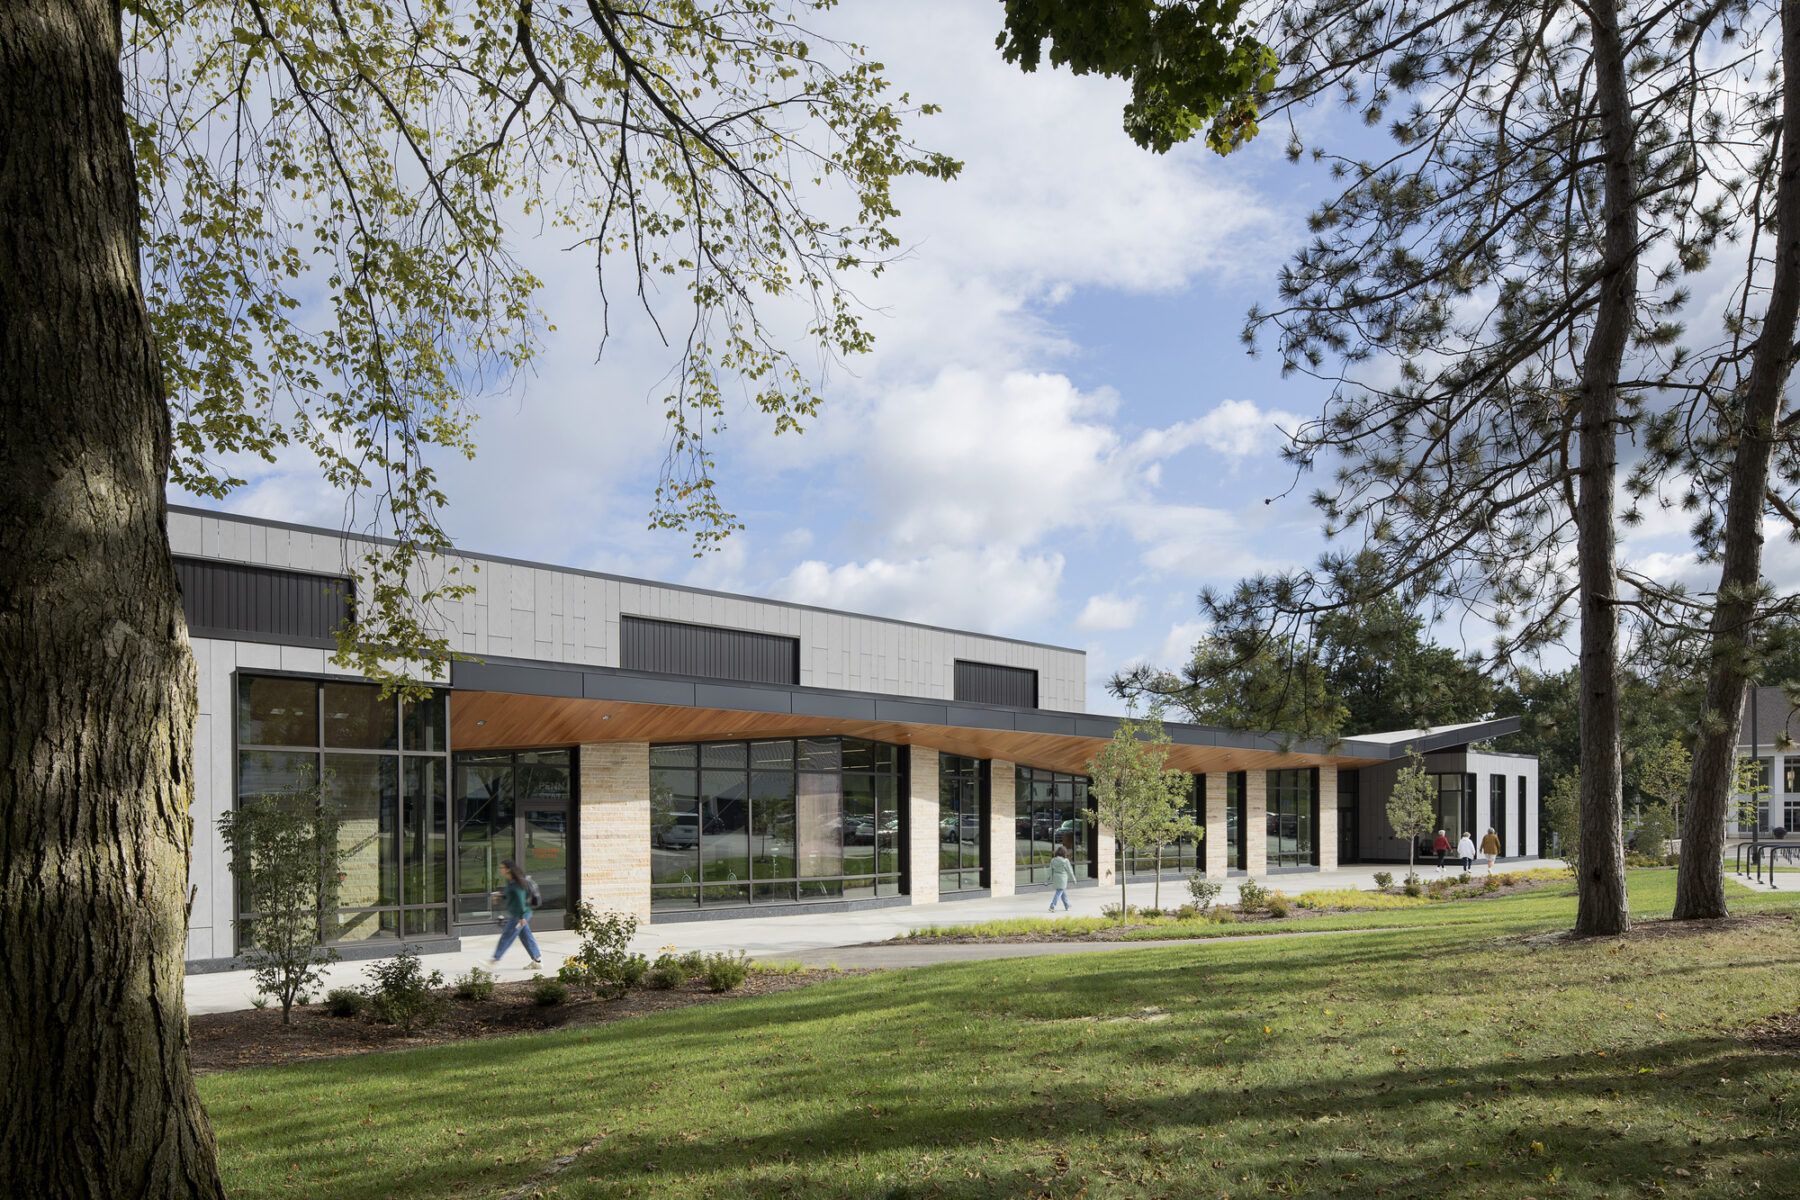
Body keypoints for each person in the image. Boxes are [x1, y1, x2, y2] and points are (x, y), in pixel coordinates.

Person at [490, 858, 542, 969]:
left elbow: (520, 900)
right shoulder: (510, 881)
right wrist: (500, 895)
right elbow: (511, 896)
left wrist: (522, 916)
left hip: (520, 914)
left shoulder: (517, 883)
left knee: (507, 935)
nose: (500, 870)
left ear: (508, 869)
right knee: (526, 936)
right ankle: (537, 960)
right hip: (520, 913)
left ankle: (495, 959)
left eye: (502, 868)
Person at [1046, 845, 1077, 912]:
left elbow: (1050, 870)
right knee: (1059, 892)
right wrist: (1074, 879)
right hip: (1063, 878)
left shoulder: (1053, 860)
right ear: (1064, 853)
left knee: (1062, 892)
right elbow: (1070, 871)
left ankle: (1067, 905)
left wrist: (1046, 880)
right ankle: (1052, 906)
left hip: (1056, 878)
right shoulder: (1065, 861)